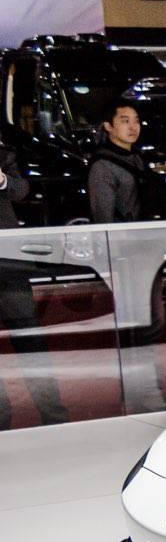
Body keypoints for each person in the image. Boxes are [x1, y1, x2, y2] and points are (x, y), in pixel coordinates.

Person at [0, 133, 66, 429]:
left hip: (7, 262)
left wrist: (2, 180)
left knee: (30, 339)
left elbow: (22, 189)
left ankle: (53, 414)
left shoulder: (3, 152)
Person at [87, 99, 166, 224]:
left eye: (136, 121)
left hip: (146, 231)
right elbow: (102, 218)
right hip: (126, 234)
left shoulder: (136, 157)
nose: (133, 127)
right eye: (125, 121)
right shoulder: (102, 166)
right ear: (108, 126)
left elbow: (144, 198)